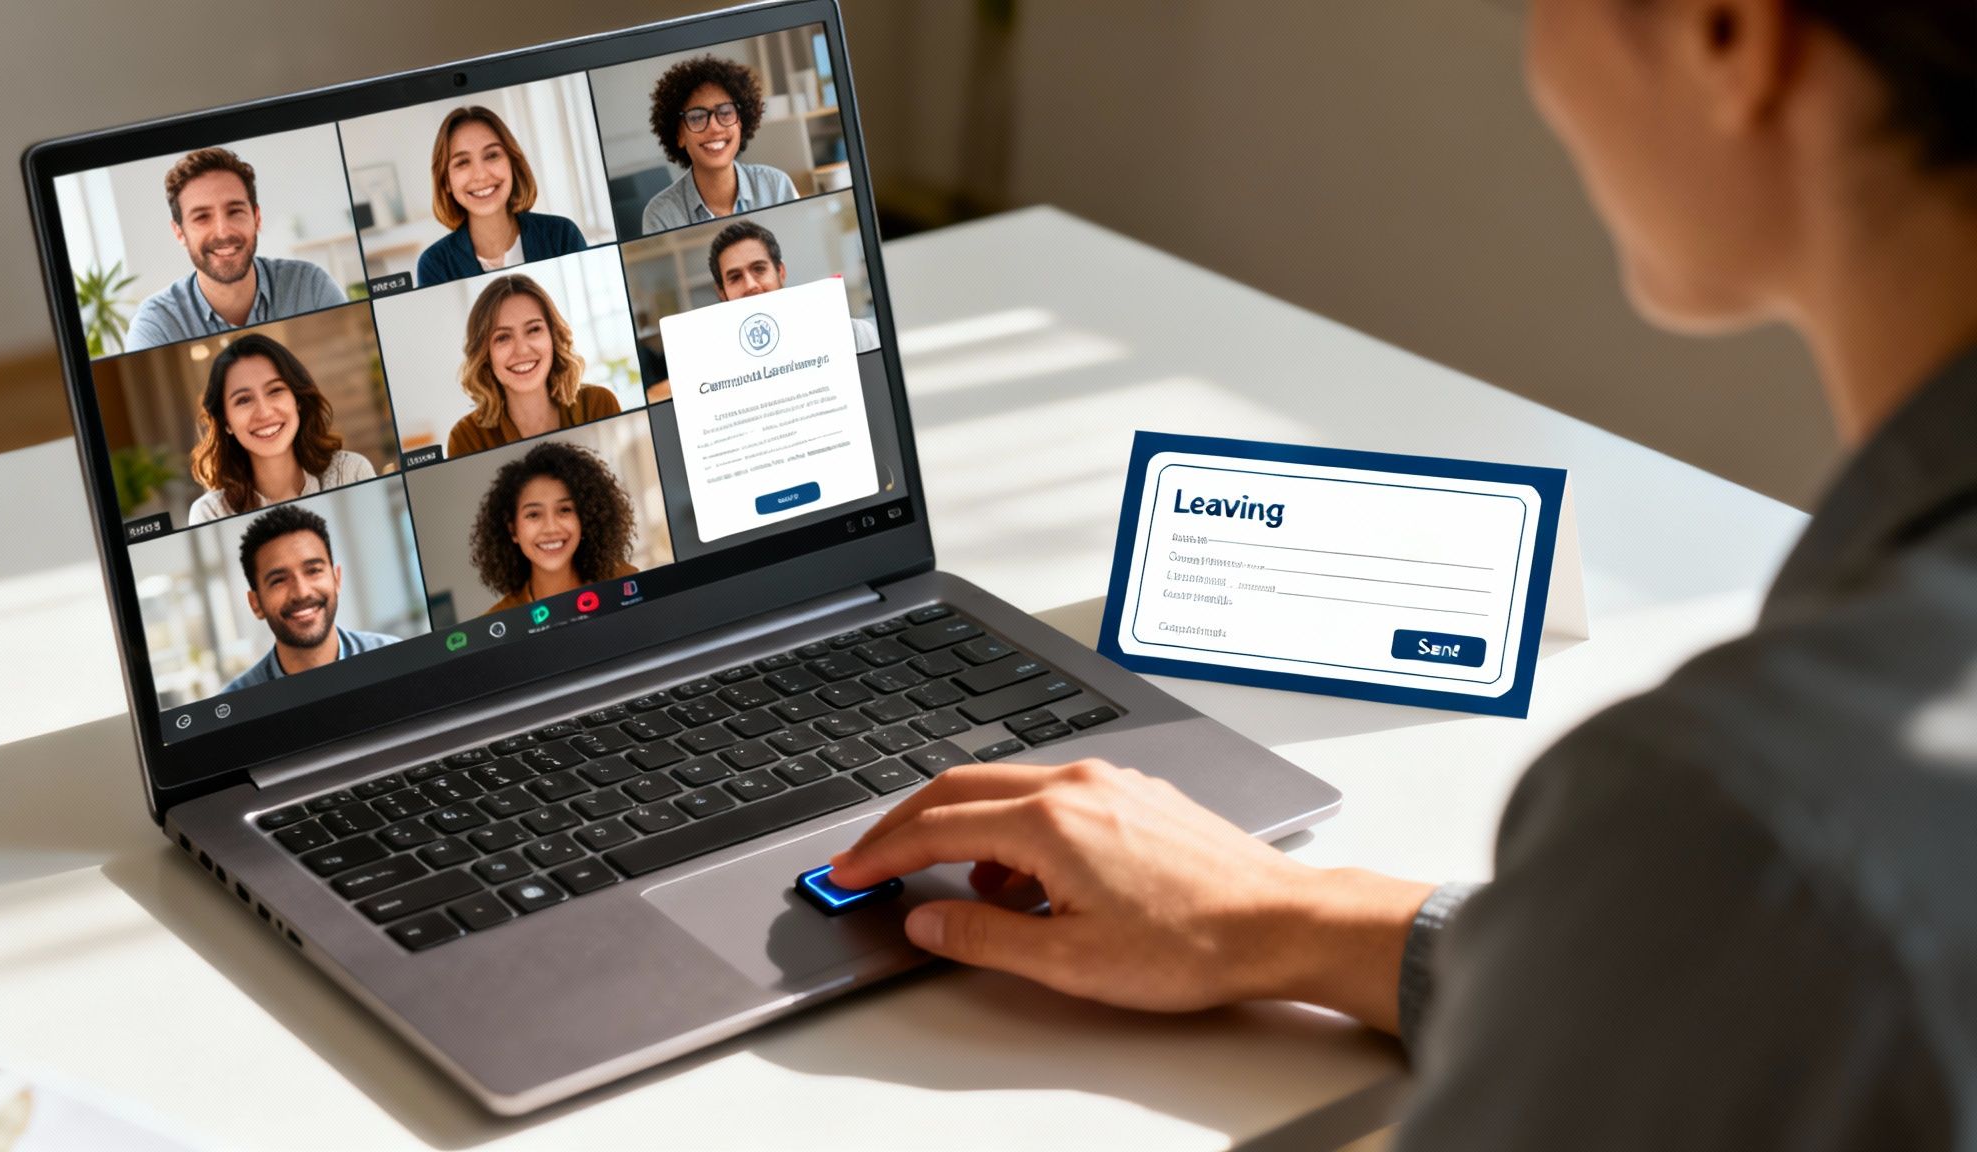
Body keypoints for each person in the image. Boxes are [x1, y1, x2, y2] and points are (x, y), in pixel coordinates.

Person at [824, 1, 1977, 1146]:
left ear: (1727, 35)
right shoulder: (1777, 866)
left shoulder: (1742, 826)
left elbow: (1752, 947)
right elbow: (1731, 1002)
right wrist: (1296, 920)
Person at [124, 148, 346, 352]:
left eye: (235, 211)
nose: (222, 232)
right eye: (202, 217)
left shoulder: (310, 286)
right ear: (179, 232)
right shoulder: (156, 324)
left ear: (257, 218)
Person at [644, 219, 879, 404]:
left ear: (781, 272)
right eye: (735, 277)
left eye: (759, 269)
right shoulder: (709, 371)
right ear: (722, 292)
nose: (750, 285)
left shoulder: (850, 334)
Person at [187, 333, 376, 524]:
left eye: (275, 390)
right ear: (226, 421)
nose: (264, 412)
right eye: (244, 400)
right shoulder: (210, 513)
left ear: (298, 401)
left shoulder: (351, 473)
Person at [224, 504, 398, 692]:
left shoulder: (395, 658)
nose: (302, 592)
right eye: (279, 580)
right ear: (255, 603)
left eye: (313, 570)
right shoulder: (238, 700)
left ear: (336, 579)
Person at [445, 274, 622, 458]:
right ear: (486, 354)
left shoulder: (598, 405)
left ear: (553, 337)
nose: (521, 350)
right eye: (503, 337)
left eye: (534, 329)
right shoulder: (466, 438)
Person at [414, 106, 587, 287]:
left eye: (492, 155)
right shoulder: (434, 265)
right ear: (446, 181)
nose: (480, 175)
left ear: (512, 163)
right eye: (463, 162)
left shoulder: (561, 235)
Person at [469, 440, 640, 614]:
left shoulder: (625, 582)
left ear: (584, 518)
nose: (551, 528)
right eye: (534, 514)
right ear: (513, 530)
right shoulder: (499, 618)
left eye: (565, 510)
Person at [639, 55, 799, 234]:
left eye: (725, 112)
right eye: (697, 117)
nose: (714, 127)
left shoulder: (776, 187)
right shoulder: (661, 215)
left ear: (740, 122)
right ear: (679, 135)